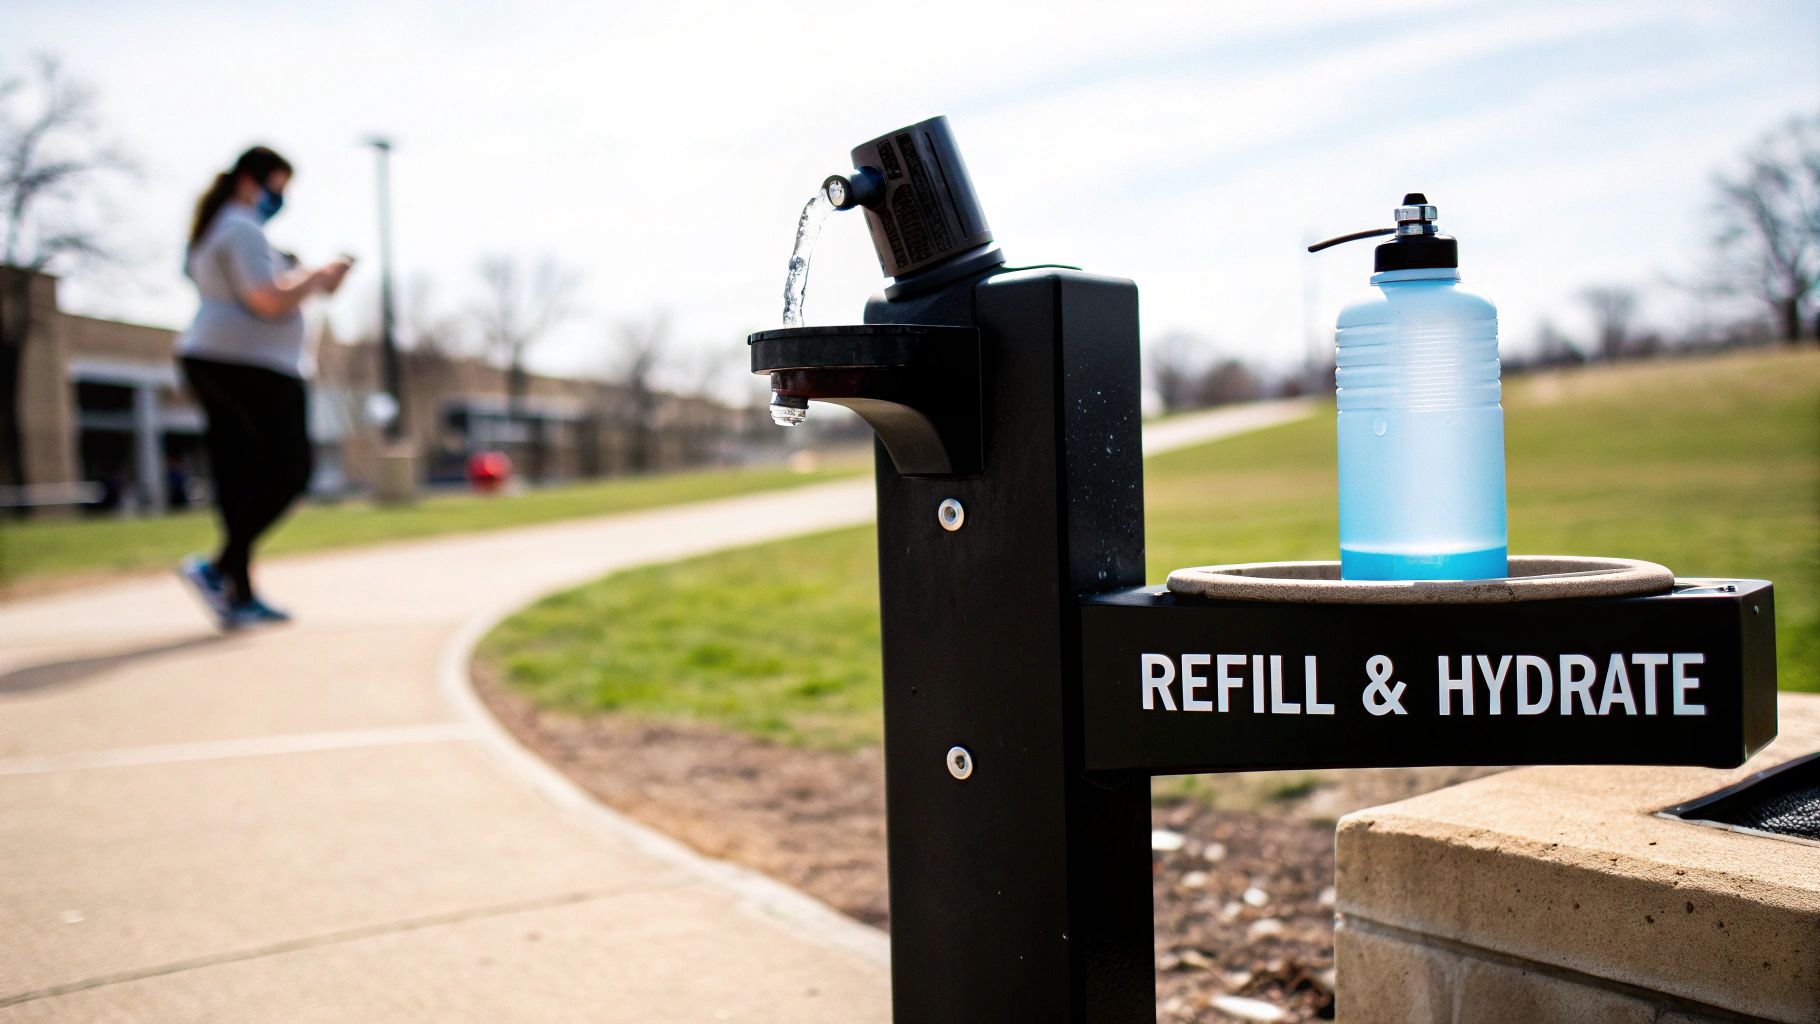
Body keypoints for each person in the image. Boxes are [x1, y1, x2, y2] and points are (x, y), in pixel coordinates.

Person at [175, 146, 350, 629]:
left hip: (212, 358)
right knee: (291, 470)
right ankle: (219, 568)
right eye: (278, 187)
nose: (281, 198)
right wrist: (315, 276)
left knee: (240, 478)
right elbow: (266, 300)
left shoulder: (220, 228)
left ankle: (239, 592)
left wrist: (307, 280)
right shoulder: (242, 227)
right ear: (251, 183)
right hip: (252, 364)